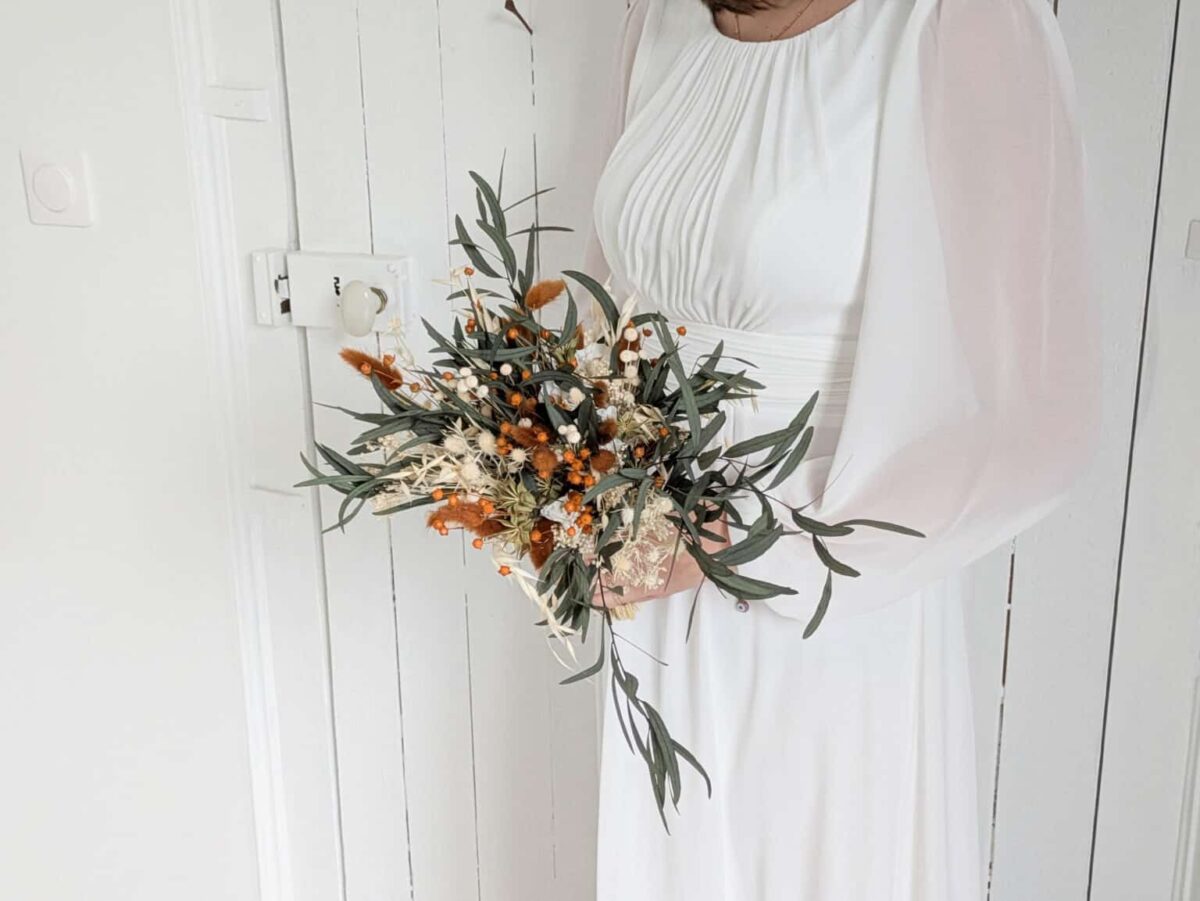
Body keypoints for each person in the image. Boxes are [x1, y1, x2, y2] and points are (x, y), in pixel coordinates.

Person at [584, 0, 1098, 897]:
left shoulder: (959, 24)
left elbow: (1040, 414)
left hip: (827, 591)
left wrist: (745, 542)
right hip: (653, 586)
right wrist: (566, 474)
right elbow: (612, 303)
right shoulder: (660, 20)